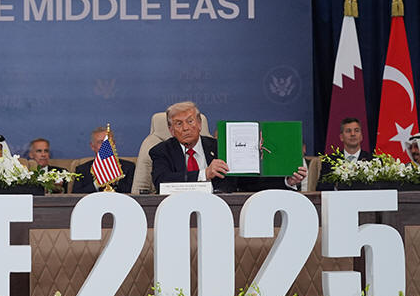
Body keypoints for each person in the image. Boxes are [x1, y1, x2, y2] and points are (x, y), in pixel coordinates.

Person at [149, 101, 306, 193]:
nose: (185, 128)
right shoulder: (161, 151)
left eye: (190, 121)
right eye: (178, 123)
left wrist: (287, 181)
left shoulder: (221, 148)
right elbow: (162, 181)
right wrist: (205, 173)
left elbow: (248, 182)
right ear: (171, 130)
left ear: (199, 124)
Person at [72, 127, 135, 193]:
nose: (105, 146)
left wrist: (116, 181)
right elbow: (75, 195)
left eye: (108, 141)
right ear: (92, 146)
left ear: (113, 144)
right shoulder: (82, 170)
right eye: (100, 142)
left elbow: (134, 193)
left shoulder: (129, 167)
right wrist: (97, 184)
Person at [317, 117, 372, 191]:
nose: (353, 134)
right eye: (348, 131)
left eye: (356, 130)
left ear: (361, 136)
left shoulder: (372, 161)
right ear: (341, 137)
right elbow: (321, 188)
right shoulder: (329, 161)